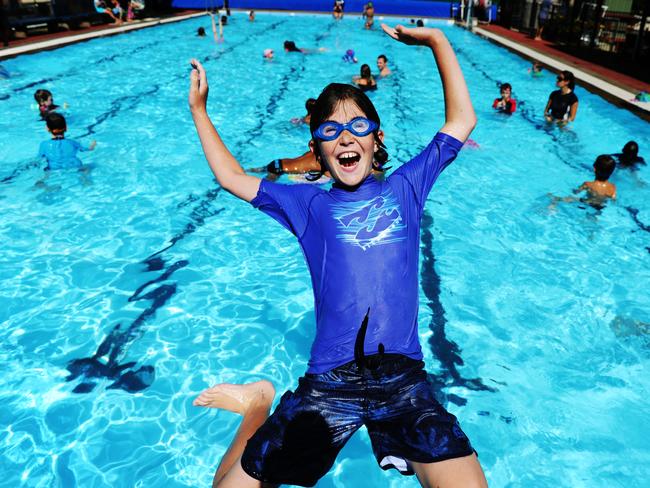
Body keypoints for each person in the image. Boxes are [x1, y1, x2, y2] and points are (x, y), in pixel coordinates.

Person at [189, 22, 486, 488]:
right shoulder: (307, 205)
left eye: (358, 126)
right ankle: (256, 407)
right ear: (317, 152)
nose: (346, 137)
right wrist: (200, 110)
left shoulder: (405, 187)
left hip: (403, 381)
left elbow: (461, 121)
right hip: (330, 383)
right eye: (331, 131)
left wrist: (436, 40)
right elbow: (230, 177)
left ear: (376, 138)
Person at [549, 155, 617, 211]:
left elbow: (576, 192)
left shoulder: (588, 184)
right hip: (599, 207)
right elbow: (613, 200)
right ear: (612, 172)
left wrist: (573, 189)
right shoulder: (613, 187)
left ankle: (552, 207)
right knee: (592, 217)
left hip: (586, 202)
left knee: (558, 199)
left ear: (594, 168)